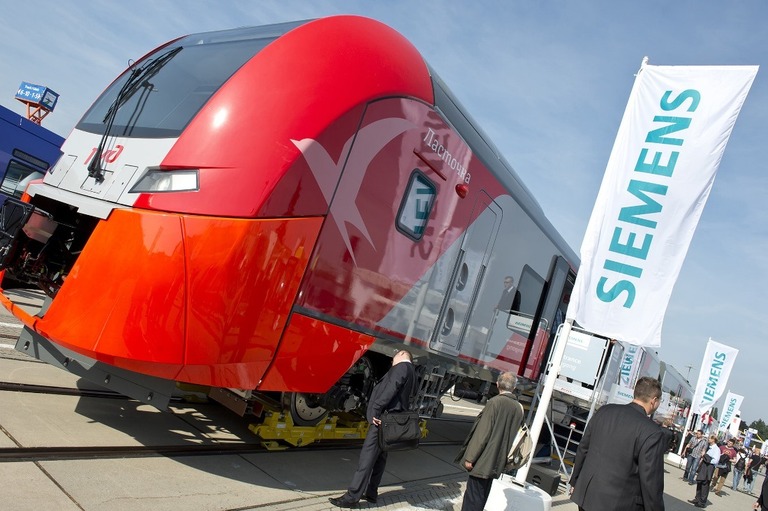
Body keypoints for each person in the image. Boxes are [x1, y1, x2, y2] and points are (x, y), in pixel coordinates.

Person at [329, 349, 416, 508]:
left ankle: (352, 497)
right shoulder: (412, 372)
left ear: (403, 355)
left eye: (395, 355)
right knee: (380, 458)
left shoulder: (402, 367)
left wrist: (375, 409)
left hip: (382, 419)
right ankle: (371, 492)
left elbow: (390, 389)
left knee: (367, 458)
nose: (392, 360)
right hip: (390, 421)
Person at [569, 376, 667, 511]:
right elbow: (651, 481)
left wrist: (575, 481)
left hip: (587, 496)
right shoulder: (652, 432)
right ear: (654, 401)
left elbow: (583, 448)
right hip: (619, 503)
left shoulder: (605, 411)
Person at [455, 371, 524, 511]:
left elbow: (483, 433)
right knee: (482, 496)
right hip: (497, 461)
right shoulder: (518, 408)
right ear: (514, 388)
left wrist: (470, 457)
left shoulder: (494, 403)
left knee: (473, 498)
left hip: (483, 460)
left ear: (497, 384)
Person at [690, 435, 720, 508]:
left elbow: (715, 460)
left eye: (710, 438)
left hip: (709, 467)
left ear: (713, 440)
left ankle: (702, 502)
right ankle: (697, 499)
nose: (708, 439)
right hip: (704, 466)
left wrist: (705, 456)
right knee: (700, 482)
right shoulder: (709, 447)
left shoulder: (716, 449)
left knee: (705, 484)